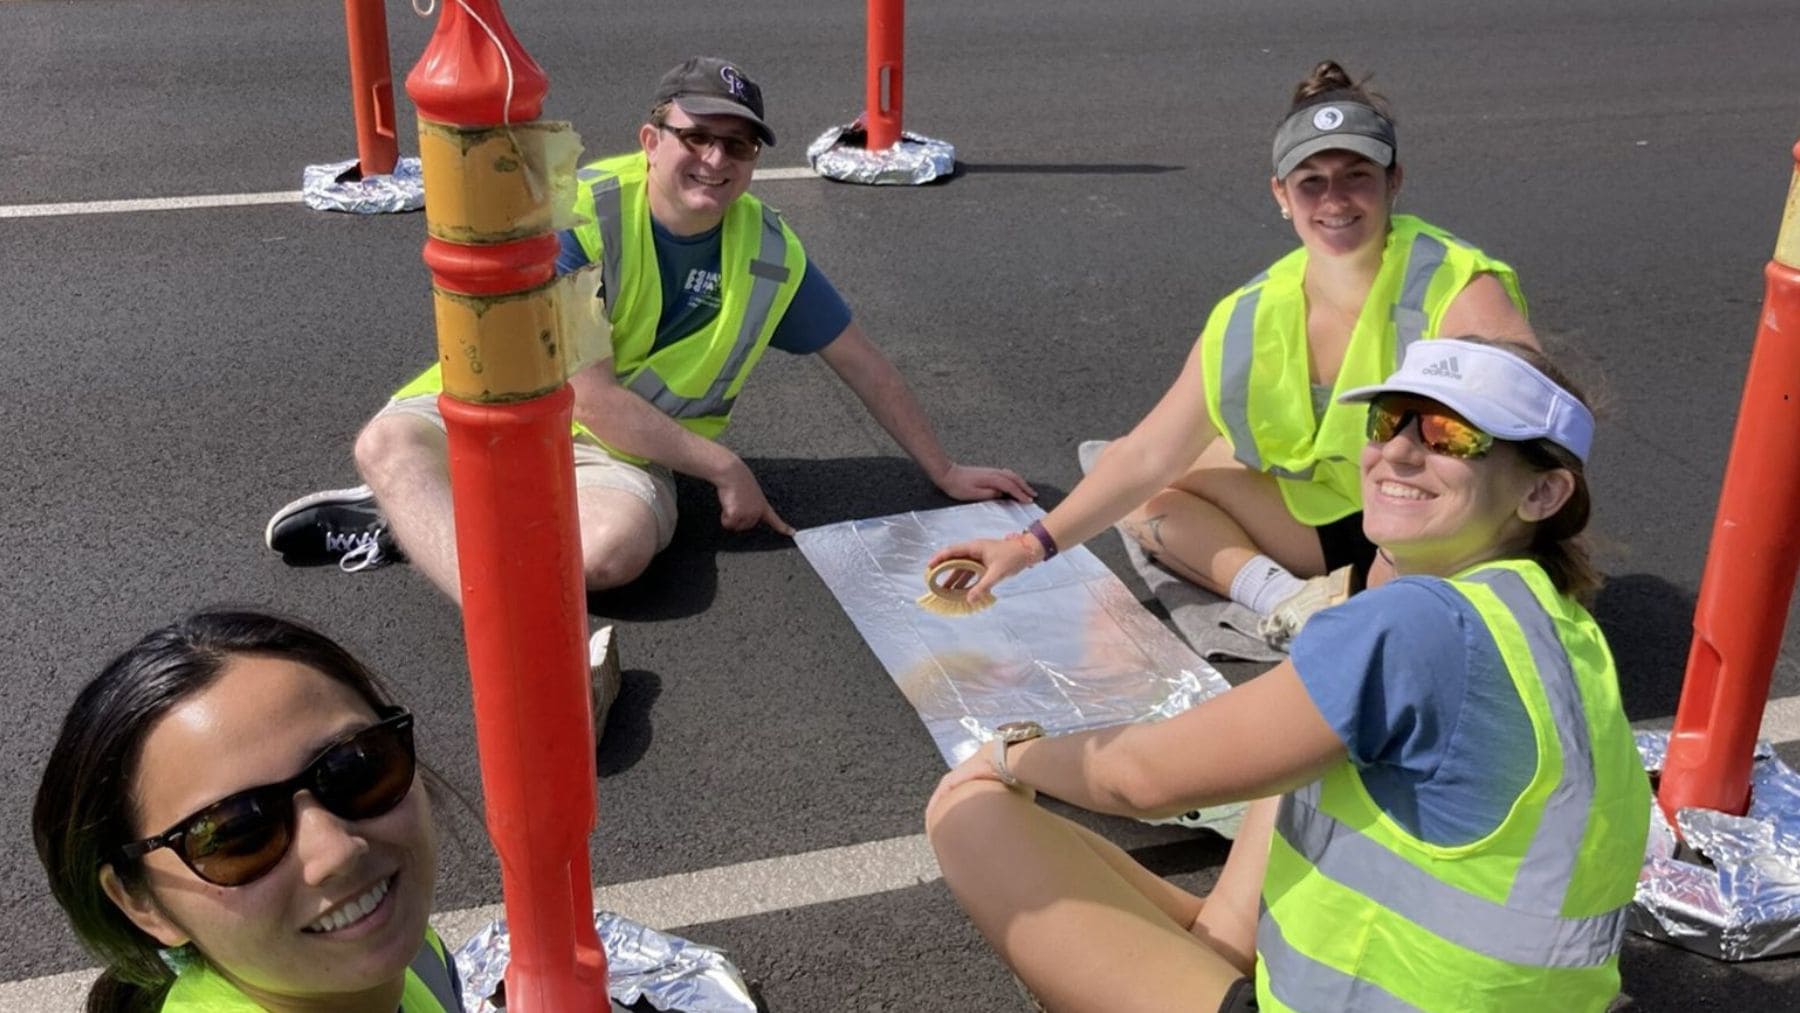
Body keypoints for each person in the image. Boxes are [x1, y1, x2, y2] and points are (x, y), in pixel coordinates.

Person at [265, 56, 1032, 733]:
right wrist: (723, 466)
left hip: (627, 452)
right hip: (506, 402)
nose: (714, 158)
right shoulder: (576, 211)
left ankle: (422, 520)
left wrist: (944, 469)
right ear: (650, 138)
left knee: (613, 554)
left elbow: (863, 361)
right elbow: (588, 391)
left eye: (737, 145)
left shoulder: (769, 250)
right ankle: (536, 653)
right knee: (386, 443)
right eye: (695, 135)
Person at [925, 339, 1650, 1012]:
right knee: (1294, 744)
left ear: (1543, 493)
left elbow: (1139, 779)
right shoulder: (1554, 621)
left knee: (972, 812)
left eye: (1450, 436)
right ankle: (1219, 947)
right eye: (1389, 421)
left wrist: (1005, 753)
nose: (1397, 453)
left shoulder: (1422, 626)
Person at [929, 60, 1535, 650]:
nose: (1335, 199)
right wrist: (1027, 547)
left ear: (1393, 181)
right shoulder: (1251, 310)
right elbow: (1146, 455)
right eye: (1311, 181)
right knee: (1133, 473)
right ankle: (1290, 600)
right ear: (1281, 193)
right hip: (1350, 514)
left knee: (1154, 487)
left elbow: (1535, 439)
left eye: (1357, 175)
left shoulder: (1456, 285)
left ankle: (1367, 605)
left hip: (1435, 534)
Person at [33, 610, 461, 1012]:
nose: (337, 851)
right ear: (141, 903)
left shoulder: (408, 946)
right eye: (238, 833)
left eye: (357, 767)